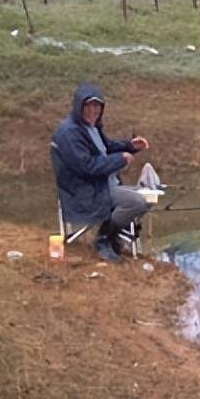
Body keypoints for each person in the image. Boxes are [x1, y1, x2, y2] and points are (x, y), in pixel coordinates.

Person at [50, 83, 151, 264]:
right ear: (79, 106)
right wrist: (120, 160)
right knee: (136, 202)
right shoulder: (69, 133)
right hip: (84, 191)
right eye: (88, 106)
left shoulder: (91, 127)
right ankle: (104, 240)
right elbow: (86, 167)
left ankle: (114, 237)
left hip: (102, 185)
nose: (93, 111)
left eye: (97, 106)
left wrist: (130, 146)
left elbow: (107, 148)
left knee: (150, 197)